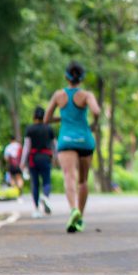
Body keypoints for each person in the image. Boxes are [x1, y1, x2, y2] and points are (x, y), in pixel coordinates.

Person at [44, 61, 101, 233]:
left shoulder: (59, 95)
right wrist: (94, 124)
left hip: (66, 140)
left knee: (69, 176)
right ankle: (80, 219)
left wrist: (62, 118)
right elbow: (97, 111)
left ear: (66, 77)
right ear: (82, 78)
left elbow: (46, 119)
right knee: (83, 181)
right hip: (85, 140)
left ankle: (73, 209)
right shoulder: (86, 95)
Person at [21, 107, 56, 218]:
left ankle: (36, 209)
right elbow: (55, 145)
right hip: (46, 157)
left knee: (35, 184)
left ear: (34, 117)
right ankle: (45, 197)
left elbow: (26, 147)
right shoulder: (49, 128)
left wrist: (22, 162)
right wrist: (56, 158)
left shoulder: (30, 129)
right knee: (47, 181)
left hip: (33, 158)